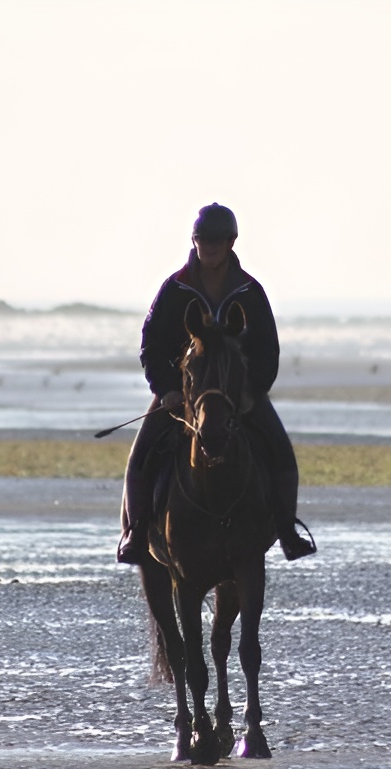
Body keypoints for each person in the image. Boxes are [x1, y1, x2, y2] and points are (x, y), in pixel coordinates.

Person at [116, 203, 316, 563]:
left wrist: (250, 394)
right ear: (193, 242)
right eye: (200, 241)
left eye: (214, 241)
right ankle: (136, 532)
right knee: (140, 455)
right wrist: (166, 390)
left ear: (231, 242)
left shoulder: (250, 291)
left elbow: (267, 350)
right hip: (184, 392)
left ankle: (287, 530)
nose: (206, 248)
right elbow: (151, 345)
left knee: (282, 453)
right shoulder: (174, 288)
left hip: (239, 395)